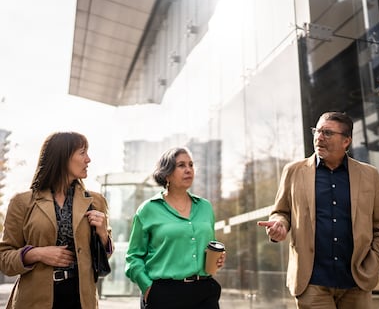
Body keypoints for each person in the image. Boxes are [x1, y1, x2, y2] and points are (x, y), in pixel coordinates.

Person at [257, 111, 379, 309]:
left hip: (357, 282)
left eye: (327, 133)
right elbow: (281, 212)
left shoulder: (369, 175)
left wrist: (372, 266)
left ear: (346, 141)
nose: (319, 137)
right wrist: (280, 224)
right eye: (317, 131)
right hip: (311, 282)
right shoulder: (293, 171)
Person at [0, 132, 113, 309]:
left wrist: (103, 234)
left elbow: (103, 258)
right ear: (62, 157)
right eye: (82, 153)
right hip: (34, 301)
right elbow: (4, 259)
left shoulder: (95, 201)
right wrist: (37, 253)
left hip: (81, 301)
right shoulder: (22, 202)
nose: (88, 159)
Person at [125, 147, 226, 309]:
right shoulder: (148, 210)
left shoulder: (205, 207)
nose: (188, 170)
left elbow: (209, 246)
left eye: (191, 165)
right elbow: (133, 257)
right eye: (181, 165)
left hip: (205, 293)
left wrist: (217, 259)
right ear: (166, 173)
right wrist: (148, 288)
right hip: (164, 295)